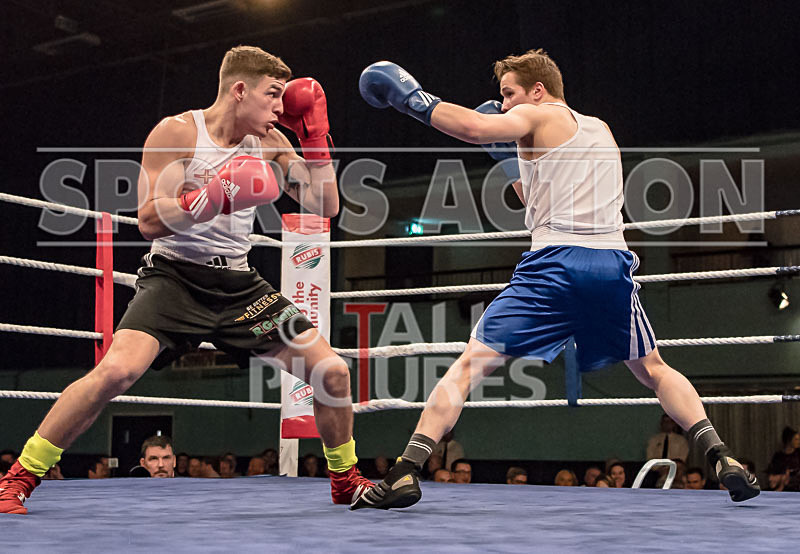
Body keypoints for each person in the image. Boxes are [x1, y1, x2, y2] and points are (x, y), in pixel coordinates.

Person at [352, 50, 759, 510]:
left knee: (468, 368)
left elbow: (471, 127)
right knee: (654, 369)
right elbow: (541, 197)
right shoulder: (600, 129)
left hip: (554, 263)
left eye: (509, 93)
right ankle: (723, 458)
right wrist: (511, 162)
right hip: (610, 263)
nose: (504, 104)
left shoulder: (534, 113)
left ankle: (405, 471)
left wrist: (413, 99)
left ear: (538, 90)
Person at [0, 45, 373, 515]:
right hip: (174, 279)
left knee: (332, 372)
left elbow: (327, 206)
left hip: (240, 288)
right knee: (116, 372)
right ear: (240, 90)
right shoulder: (177, 132)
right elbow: (149, 221)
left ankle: (345, 481)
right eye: (272, 95)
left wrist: (316, 140)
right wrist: (213, 195)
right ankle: (18, 477)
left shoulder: (273, 141)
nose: (282, 107)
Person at [767, 426, 800, 491]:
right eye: (796, 439)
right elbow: (772, 473)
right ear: (789, 440)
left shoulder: (798, 454)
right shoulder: (778, 456)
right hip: (781, 485)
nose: (799, 442)